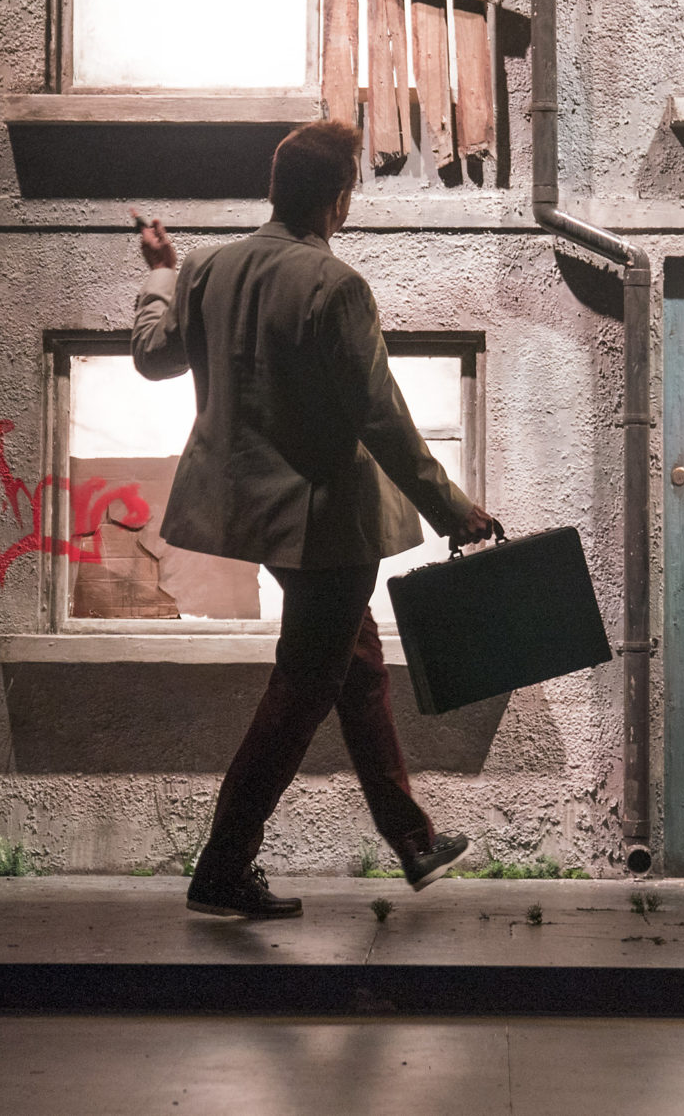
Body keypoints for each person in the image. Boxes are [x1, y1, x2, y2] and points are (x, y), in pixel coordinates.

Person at [130, 119, 499, 920]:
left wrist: (161, 273)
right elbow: (380, 418)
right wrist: (451, 507)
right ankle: (222, 868)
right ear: (340, 200)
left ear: (275, 187)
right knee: (301, 691)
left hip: (254, 522)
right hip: (327, 526)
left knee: (353, 665)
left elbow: (154, 355)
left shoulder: (207, 268)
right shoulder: (337, 288)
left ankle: (412, 840)